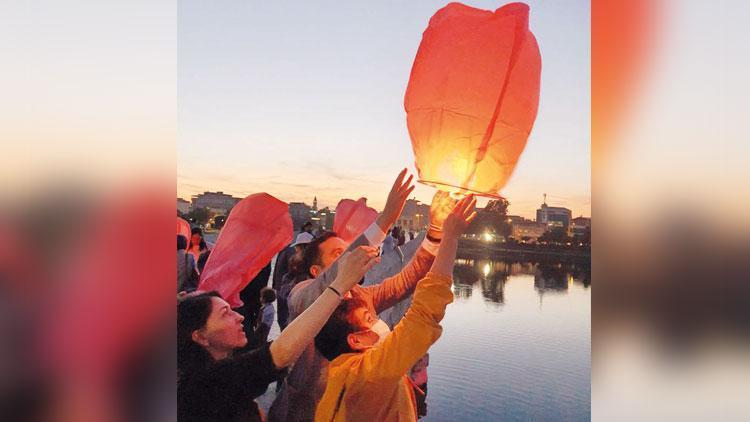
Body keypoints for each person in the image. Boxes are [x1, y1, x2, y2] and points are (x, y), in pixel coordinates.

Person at [268, 171, 456, 422]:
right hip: (305, 412)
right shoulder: (302, 295)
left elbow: (406, 280)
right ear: (316, 270)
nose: (350, 257)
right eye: (338, 254)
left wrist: (435, 234)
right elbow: (330, 282)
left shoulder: (359, 298)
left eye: (349, 252)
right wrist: (385, 220)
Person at [313, 195, 476, 421]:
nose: (378, 321)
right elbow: (422, 315)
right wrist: (451, 238)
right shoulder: (368, 373)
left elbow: (406, 281)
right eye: (369, 318)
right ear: (356, 340)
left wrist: (437, 232)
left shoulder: (345, 368)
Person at [177, 245, 380, 422]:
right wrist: (340, 284)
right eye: (224, 314)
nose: (238, 317)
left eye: (231, 309)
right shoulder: (202, 382)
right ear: (200, 336)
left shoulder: (218, 369)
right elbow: (280, 353)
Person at [274, 232, 314, 330]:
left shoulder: (294, 261)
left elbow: (279, 274)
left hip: (290, 303)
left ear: (299, 247)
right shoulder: (317, 264)